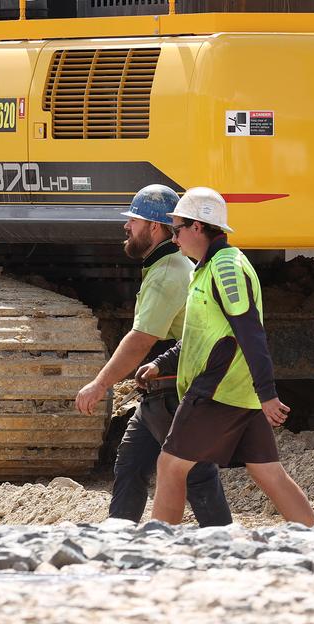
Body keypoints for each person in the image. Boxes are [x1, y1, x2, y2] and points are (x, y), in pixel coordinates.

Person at [141, 187, 314, 526]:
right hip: (238, 390)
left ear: (197, 227)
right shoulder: (206, 269)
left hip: (218, 390)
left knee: (170, 465)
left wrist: (268, 394)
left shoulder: (226, 269)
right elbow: (203, 337)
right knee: (267, 471)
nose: (174, 239)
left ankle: (159, 549)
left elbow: (249, 332)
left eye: (176, 229)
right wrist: (161, 364)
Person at [74, 185, 231, 526]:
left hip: (173, 388)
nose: (126, 227)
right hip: (160, 390)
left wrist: (100, 384)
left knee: (194, 471)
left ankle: (222, 537)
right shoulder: (171, 266)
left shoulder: (168, 272)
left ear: (155, 228)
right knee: (132, 463)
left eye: (134, 220)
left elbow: (141, 340)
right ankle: (120, 531)